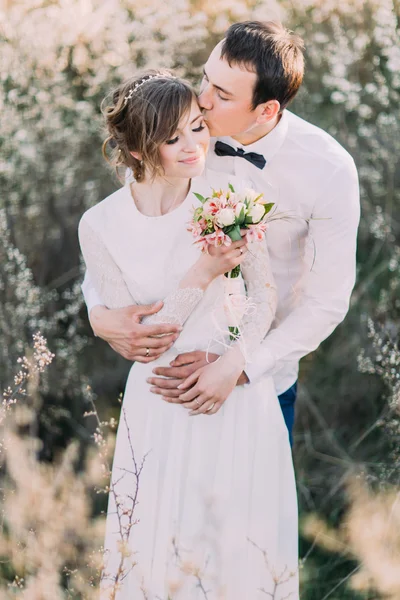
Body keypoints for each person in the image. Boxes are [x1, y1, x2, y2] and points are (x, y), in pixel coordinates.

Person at [83, 21, 360, 447]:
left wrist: (240, 365)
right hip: (166, 376)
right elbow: (125, 231)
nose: (203, 101)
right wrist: (99, 313)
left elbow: (327, 302)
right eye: (205, 79)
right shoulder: (179, 132)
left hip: (263, 377)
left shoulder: (328, 170)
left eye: (223, 95)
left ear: (266, 110)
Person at [79, 71, 299, 598]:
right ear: (135, 148)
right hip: (156, 403)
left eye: (197, 128)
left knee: (238, 553)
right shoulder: (100, 225)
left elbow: (264, 299)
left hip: (230, 393)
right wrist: (202, 272)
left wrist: (233, 362)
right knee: (157, 553)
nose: (193, 146)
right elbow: (146, 337)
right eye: (172, 138)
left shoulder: (231, 193)